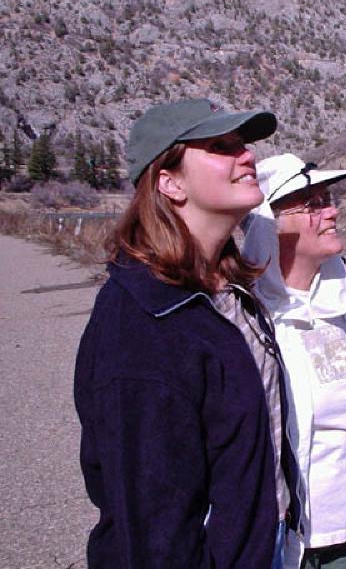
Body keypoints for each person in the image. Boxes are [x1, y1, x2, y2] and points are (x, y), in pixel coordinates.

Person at [74, 99, 300, 568]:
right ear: (169, 182)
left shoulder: (225, 289)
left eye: (244, 145)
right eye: (221, 147)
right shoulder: (143, 327)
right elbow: (153, 531)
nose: (247, 156)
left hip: (261, 543)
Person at [242, 154, 346, 568]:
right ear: (267, 224)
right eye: (311, 204)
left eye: (328, 198)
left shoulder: (340, 303)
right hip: (280, 548)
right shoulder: (248, 319)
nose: (332, 211)